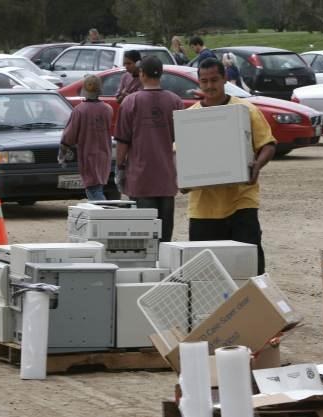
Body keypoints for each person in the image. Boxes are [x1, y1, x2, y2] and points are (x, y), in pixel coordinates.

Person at [186, 58, 277, 274]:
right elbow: (179, 154)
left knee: (249, 269)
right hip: (203, 208)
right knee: (205, 274)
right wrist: (181, 177)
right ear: (199, 82)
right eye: (204, 81)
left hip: (241, 203)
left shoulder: (246, 110)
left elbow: (269, 144)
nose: (209, 86)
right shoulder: (190, 117)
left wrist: (257, 166)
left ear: (225, 78)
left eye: (214, 80)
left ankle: (253, 306)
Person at [114, 56, 184, 242]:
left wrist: (119, 168)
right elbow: (184, 140)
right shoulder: (175, 102)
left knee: (143, 238)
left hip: (141, 180)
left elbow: (123, 141)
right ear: (161, 74)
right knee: (165, 238)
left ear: (142, 74)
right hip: (167, 180)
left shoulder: (130, 102)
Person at [60, 75, 113, 201]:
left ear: (84, 89)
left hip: (88, 156)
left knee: (93, 190)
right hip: (104, 155)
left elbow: (69, 136)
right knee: (97, 187)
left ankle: (104, 217)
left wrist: (63, 152)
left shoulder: (79, 111)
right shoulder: (107, 109)